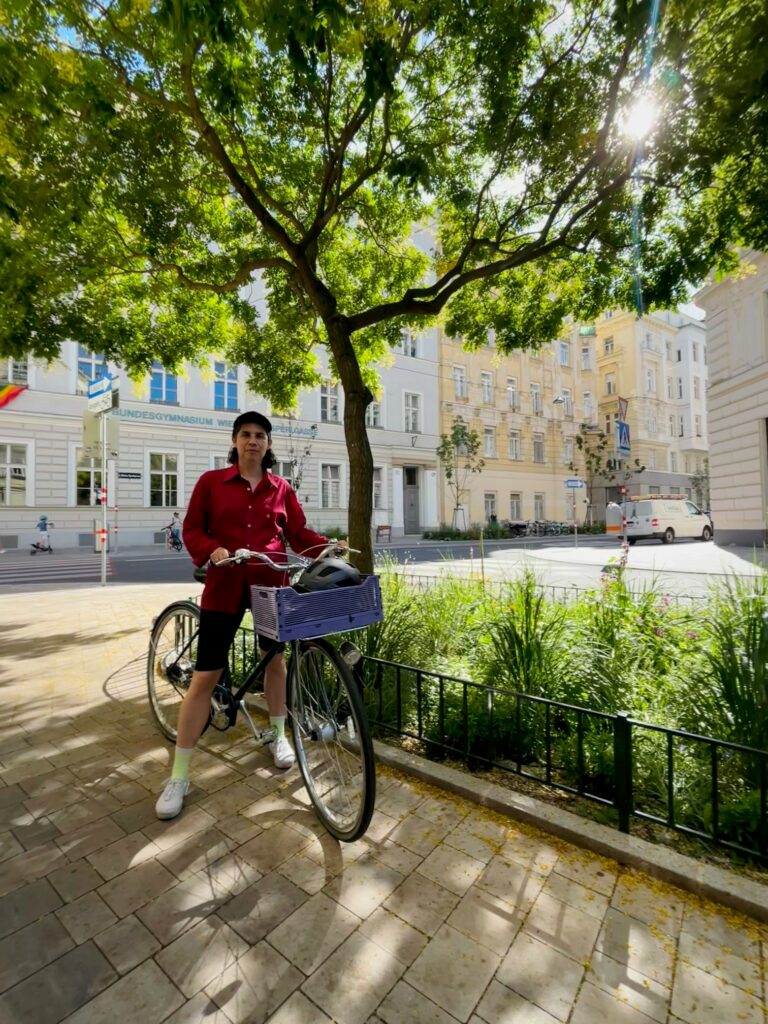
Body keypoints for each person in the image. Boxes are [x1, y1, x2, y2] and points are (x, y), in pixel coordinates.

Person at [155, 411, 337, 821]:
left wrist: (327, 547)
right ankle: (179, 775)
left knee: (275, 662)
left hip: (271, 586)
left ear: (268, 444)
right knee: (205, 677)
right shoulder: (210, 483)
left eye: (260, 436)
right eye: (246, 435)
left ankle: (277, 736)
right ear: (235, 442)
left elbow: (300, 535)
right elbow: (192, 530)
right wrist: (212, 550)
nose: (253, 441)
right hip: (224, 588)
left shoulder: (281, 488)